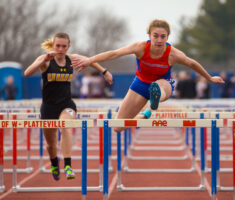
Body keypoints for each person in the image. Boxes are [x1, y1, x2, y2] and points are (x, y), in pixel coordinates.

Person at [72, 19, 224, 132]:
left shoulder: (173, 54)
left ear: (168, 37)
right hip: (140, 84)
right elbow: (114, 53)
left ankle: (154, 97)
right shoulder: (140, 47)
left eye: (163, 36)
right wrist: (89, 60)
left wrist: (209, 78)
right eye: (155, 36)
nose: (159, 40)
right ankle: (145, 114)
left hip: (164, 83)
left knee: (157, 86)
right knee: (117, 127)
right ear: (149, 35)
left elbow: (192, 64)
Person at [24, 32, 113, 181]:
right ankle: (54, 163)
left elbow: (90, 61)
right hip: (48, 106)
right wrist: (42, 61)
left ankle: (68, 165)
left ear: (68, 47)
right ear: (53, 46)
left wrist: (104, 72)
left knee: (65, 125)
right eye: (57, 46)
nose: (60, 49)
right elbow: (27, 73)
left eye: (64, 46)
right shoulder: (45, 59)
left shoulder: (71, 59)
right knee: (51, 145)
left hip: (66, 104)